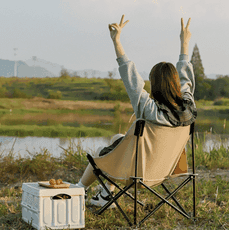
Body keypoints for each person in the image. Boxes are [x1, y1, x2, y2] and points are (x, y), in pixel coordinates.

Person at [76, 15, 197, 207]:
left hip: (137, 175)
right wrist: (185, 43)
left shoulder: (149, 110)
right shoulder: (189, 109)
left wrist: (116, 41)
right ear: (175, 84)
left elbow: (130, 77)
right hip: (165, 172)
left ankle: (79, 190)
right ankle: (106, 196)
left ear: (154, 84)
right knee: (118, 138)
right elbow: (186, 80)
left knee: (101, 152)